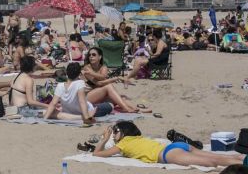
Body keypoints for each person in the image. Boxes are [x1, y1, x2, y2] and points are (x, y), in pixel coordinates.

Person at [93, 121, 247, 167]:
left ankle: (244, 164)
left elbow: (97, 154)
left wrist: (104, 139)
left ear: (123, 132)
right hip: (176, 146)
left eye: (115, 131)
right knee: (215, 156)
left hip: (168, 154)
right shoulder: (138, 138)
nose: (113, 134)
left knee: (212, 162)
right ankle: (242, 159)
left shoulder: (123, 144)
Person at [45, 62, 113, 123]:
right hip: (87, 110)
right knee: (110, 105)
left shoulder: (60, 85)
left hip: (69, 112)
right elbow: (82, 101)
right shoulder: (79, 83)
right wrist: (87, 117)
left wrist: (45, 119)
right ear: (79, 74)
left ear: (66, 73)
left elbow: (53, 103)